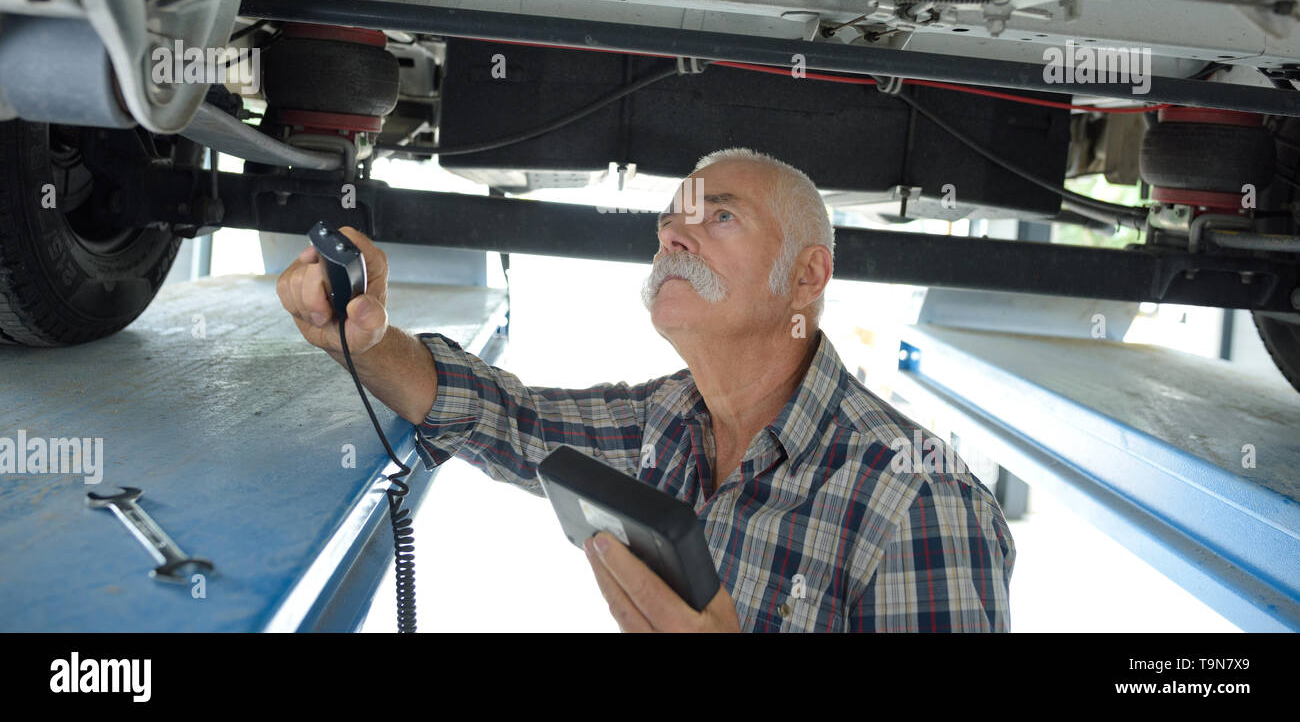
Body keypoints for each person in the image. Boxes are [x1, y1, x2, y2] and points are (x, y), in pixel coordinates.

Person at [276, 147, 1015, 631]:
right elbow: (504, 418)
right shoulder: (667, 419)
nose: (673, 238)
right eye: (667, 226)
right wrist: (368, 337)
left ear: (807, 275)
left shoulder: (918, 496)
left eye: (719, 216)